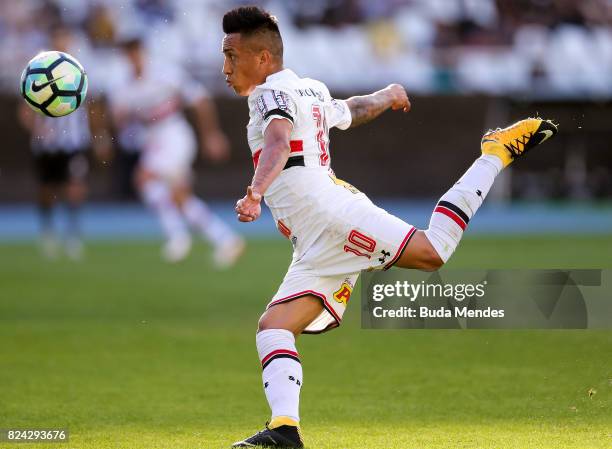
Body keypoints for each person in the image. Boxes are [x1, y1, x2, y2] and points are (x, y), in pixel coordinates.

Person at [221, 6, 558, 448]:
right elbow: (351, 110)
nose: (225, 67)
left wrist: (255, 191)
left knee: (433, 251)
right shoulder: (309, 89)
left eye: (232, 55)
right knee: (275, 326)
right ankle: (284, 430)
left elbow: (280, 139)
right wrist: (387, 94)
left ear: (262, 58)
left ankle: (494, 153)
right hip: (314, 237)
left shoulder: (266, 95)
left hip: (332, 217)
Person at [108, 37, 244, 265]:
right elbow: (119, 119)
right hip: (153, 142)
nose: (132, 57)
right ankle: (224, 239)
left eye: (135, 50)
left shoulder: (165, 74)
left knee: (144, 178)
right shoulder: (123, 86)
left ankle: (179, 237)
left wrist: (211, 135)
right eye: (127, 52)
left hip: (175, 136)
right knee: (179, 195)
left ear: (142, 51)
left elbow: (200, 101)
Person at [18, 25, 91, 260]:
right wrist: (37, 128)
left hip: (74, 141)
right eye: (58, 38)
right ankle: (48, 234)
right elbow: (24, 110)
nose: (62, 42)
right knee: (47, 190)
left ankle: (73, 236)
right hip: (47, 144)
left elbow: (94, 104)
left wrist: (100, 138)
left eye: (65, 37)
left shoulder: (80, 69)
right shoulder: (37, 69)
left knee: (75, 187)